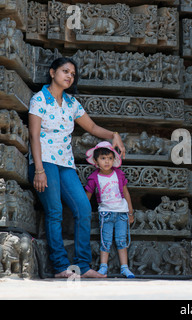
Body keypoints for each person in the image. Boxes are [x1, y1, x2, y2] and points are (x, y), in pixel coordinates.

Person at [28, 57, 126, 278]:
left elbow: (91, 127)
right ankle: (61, 266)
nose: (69, 76)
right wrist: (40, 170)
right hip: (45, 163)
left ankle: (82, 265)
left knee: (83, 208)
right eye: (65, 71)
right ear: (52, 73)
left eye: (72, 74)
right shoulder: (39, 99)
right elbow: (34, 135)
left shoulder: (72, 103)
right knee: (55, 212)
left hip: (66, 164)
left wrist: (113, 135)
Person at [85, 141, 135, 278]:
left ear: (114, 160)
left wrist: (130, 212)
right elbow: (86, 197)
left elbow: (126, 193)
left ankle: (124, 268)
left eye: (110, 158)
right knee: (105, 241)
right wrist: (84, 213)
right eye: (103, 158)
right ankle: (103, 267)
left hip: (121, 213)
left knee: (121, 240)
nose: (107, 162)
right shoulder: (94, 177)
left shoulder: (118, 174)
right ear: (95, 161)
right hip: (105, 214)